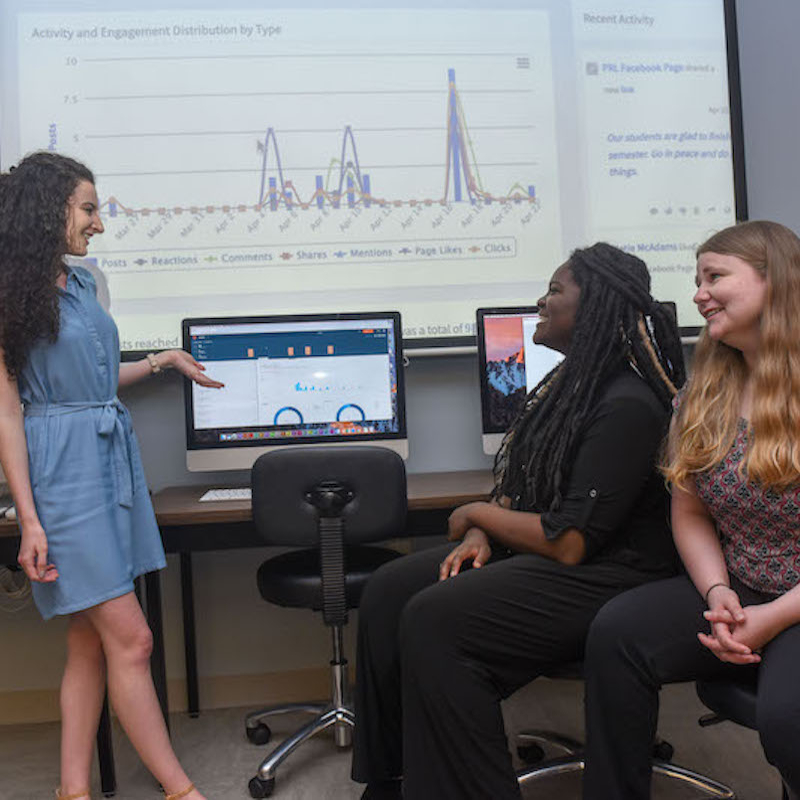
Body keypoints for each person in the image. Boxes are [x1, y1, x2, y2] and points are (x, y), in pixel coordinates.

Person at [351, 242, 686, 800]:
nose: (542, 300)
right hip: (565, 552)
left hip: (614, 572)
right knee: (391, 590)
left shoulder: (627, 403)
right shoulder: (567, 389)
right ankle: (394, 779)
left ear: (594, 307)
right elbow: (524, 490)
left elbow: (571, 541)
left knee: (436, 616)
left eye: (555, 290)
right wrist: (486, 528)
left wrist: (474, 512)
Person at [0, 152, 223, 800]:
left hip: (107, 460)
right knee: (134, 638)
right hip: (61, 472)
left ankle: (73, 791)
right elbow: (9, 413)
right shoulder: (9, 296)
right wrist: (30, 519)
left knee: (89, 641)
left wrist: (160, 361)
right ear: (50, 211)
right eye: (89, 209)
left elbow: (93, 380)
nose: (99, 223)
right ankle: (181, 791)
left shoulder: (82, 282)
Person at [582, 220, 800, 799]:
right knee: (618, 632)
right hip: (744, 586)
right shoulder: (702, 393)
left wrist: (774, 618)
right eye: (697, 278)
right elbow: (692, 511)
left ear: (774, 281)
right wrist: (717, 593)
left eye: (715, 277)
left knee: (788, 722)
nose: (699, 294)